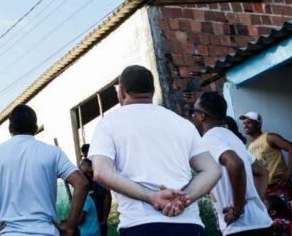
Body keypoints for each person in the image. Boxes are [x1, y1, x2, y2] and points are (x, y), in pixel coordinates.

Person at [89, 65, 221, 236]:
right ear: (152, 91)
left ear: (121, 92)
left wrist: (152, 197)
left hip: (141, 224)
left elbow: (101, 173)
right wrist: (183, 199)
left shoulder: (108, 123)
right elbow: (213, 170)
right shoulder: (182, 123)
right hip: (189, 224)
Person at [0, 104, 89, 236]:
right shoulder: (53, 152)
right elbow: (82, 183)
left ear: (10, 128)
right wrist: (70, 225)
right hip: (47, 232)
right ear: (35, 128)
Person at [192, 92, 272, 235]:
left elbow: (235, 164)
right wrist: (256, 201)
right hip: (260, 222)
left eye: (194, 112)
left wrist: (237, 210)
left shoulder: (210, 139)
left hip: (241, 227)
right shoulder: (231, 137)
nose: (193, 116)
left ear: (202, 116)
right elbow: (261, 171)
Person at [239, 111, 292, 200]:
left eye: (249, 122)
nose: (245, 125)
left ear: (258, 124)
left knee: (289, 208)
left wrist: (288, 173)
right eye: (244, 123)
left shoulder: (269, 137)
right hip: (266, 189)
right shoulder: (249, 147)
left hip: (279, 185)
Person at [78, 154, 111, 236]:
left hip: (99, 219)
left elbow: (107, 197)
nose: (87, 174)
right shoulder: (89, 179)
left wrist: (104, 219)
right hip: (91, 218)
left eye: (87, 172)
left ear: (90, 166)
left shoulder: (98, 178)